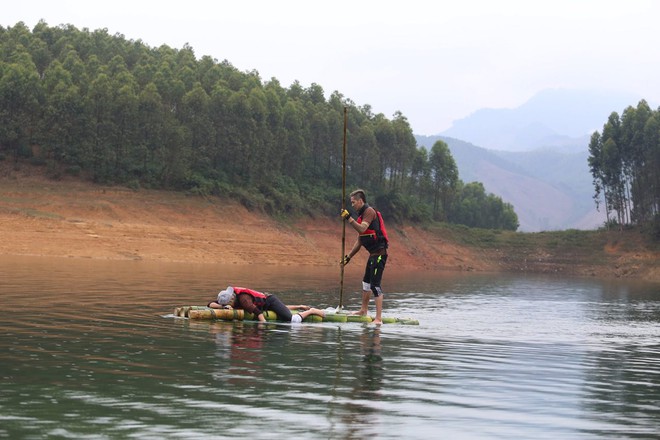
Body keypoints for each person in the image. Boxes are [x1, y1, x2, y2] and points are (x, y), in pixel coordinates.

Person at [340, 189, 388, 324]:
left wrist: (348, 218)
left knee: (375, 285)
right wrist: (348, 257)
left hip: (380, 254)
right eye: (351, 203)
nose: (352, 205)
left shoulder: (369, 212)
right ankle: (363, 310)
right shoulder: (361, 216)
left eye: (354, 202)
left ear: (361, 201)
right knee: (366, 283)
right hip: (372, 255)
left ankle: (378, 318)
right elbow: (360, 240)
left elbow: (361, 228)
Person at [208, 286, 326, 323]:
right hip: (263, 305)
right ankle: (300, 306)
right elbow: (210, 304)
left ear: (231, 298)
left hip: (270, 301)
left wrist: (263, 328)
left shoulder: (244, 300)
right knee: (282, 309)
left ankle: (312, 311)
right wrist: (222, 307)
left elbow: (259, 314)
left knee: (292, 320)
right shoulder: (225, 299)